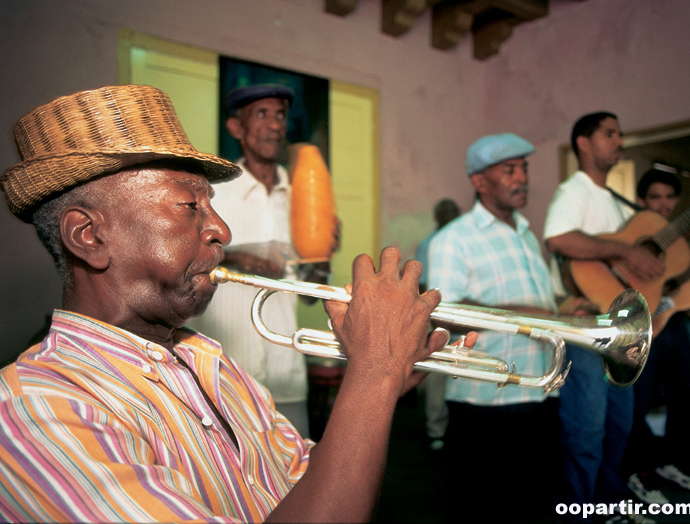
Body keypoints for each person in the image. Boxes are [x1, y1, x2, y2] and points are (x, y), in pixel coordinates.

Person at [0, 84, 455, 523]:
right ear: (90, 236)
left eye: (210, 204)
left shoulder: (211, 363)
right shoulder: (35, 407)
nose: (222, 230)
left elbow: (306, 484)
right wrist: (373, 373)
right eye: (188, 206)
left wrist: (376, 385)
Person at [188, 84, 336, 439]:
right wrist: (236, 256)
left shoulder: (305, 198)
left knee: (295, 476)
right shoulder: (213, 192)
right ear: (236, 128)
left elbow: (308, 295)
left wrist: (321, 260)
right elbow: (184, 266)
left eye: (281, 115)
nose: (274, 125)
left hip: (286, 370)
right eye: (261, 114)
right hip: (223, 372)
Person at [428, 133, 561, 521]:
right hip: (486, 401)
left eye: (524, 168)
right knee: (483, 504)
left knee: (533, 501)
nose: (522, 178)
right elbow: (446, 312)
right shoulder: (453, 239)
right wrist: (529, 313)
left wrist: (566, 308)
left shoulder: (525, 233)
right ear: (479, 182)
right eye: (509, 170)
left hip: (538, 390)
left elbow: (545, 304)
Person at [543, 112, 664, 524]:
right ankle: (579, 512)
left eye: (620, 133)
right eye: (609, 133)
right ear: (583, 143)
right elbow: (559, 238)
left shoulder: (614, 200)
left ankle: (608, 503)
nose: (619, 140)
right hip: (588, 326)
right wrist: (627, 253)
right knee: (587, 431)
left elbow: (624, 267)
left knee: (620, 425)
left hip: (620, 330)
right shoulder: (573, 192)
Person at [625, 169, 690, 504]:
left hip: (674, 324)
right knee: (637, 404)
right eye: (657, 197)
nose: (665, 204)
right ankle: (640, 473)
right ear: (642, 202)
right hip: (644, 327)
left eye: (671, 197)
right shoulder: (630, 236)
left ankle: (675, 462)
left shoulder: (685, 240)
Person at [414, 198, 460, 451]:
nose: (451, 216)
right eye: (446, 212)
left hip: (463, 312)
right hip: (438, 313)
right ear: (437, 217)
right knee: (438, 373)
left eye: (454, 212)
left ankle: (461, 424)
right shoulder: (428, 245)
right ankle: (436, 429)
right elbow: (421, 286)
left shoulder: (465, 241)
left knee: (466, 365)